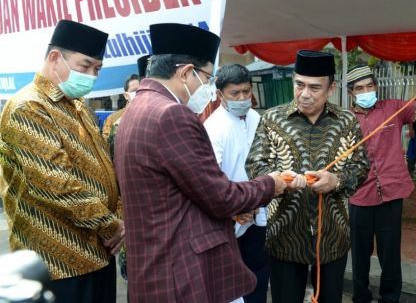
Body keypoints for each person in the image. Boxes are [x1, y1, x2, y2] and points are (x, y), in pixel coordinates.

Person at [113, 23, 294, 303]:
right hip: (180, 271)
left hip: (152, 268)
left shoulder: (136, 110)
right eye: (208, 78)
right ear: (186, 72)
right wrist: (272, 184)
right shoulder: (171, 115)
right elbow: (221, 196)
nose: (208, 88)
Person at [0, 19, 124, 303]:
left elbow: (106, 167)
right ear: (55, 58)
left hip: (99, 252)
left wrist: (117, 216)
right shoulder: (29, 106)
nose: (92, 76)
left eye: (97, 69)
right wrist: (112, 225)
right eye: (85, 66)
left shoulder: (78, 106)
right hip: (58, 262)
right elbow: (57, 185)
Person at [246, 50, 369, 303]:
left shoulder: (346, 120)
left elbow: (361, 166)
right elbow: (255, 165)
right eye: (299, 84)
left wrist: (336, 181)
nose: (304, 94)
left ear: (331, 88)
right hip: (285, 234)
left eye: (315, 88)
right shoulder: (273, 118)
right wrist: (279, 180)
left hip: (333, 234)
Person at [345, 57, 416, 303]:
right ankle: (361, 298)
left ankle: (390, 298)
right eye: (359, 88)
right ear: (351, 93)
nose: (366, 92)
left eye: (369, 86)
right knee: (360, 256)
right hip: (359, 198)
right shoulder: (344, 120)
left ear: (376, 86)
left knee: (390, 256)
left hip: (391, 195)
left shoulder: (393, 108)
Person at [204, 64, 269, 303]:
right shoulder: (213, 127)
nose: (242, 98)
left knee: (259, 275)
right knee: (233, 283)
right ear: (220, 94)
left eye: (246, 91)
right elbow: (211, 178)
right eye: (235, 93)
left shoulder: (256, 118)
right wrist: (233, 211)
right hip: (231, 217)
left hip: (258, 212)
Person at [102, 73, 140, 156]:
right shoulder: (113, 119)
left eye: (142, 90)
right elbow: (106, 149)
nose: (139, 94)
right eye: (134, 91)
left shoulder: (154, 115)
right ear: (126, 95)